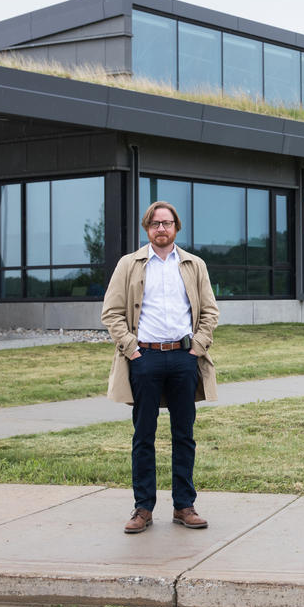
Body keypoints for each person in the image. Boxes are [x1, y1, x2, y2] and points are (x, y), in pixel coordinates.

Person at [102, 201, 219, 534]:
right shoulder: (130, 265)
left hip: (184, 359)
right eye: (155, 224)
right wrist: (132, 350)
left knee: (184, 435)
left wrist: (197, 347)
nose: (161, 229)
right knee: (144, 436)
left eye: (167, 223)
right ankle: (143, 509)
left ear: (176, 228)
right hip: (145, 359)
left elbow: (210, 311)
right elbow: (111, 313)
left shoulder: (194, 265)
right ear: (147, 228)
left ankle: (184, 506)